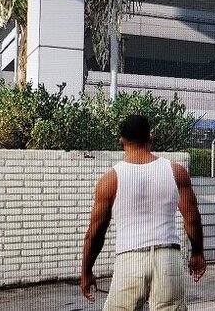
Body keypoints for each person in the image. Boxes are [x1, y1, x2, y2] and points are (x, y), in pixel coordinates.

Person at [81, 114, 206, 310]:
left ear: (121, 141)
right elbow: (192, 219)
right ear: (151, 137)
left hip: (130, 260)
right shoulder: (176, 172)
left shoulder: (110, 180)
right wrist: (197, 253)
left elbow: (95, 234)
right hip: (168, 259)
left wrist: (86, 271)